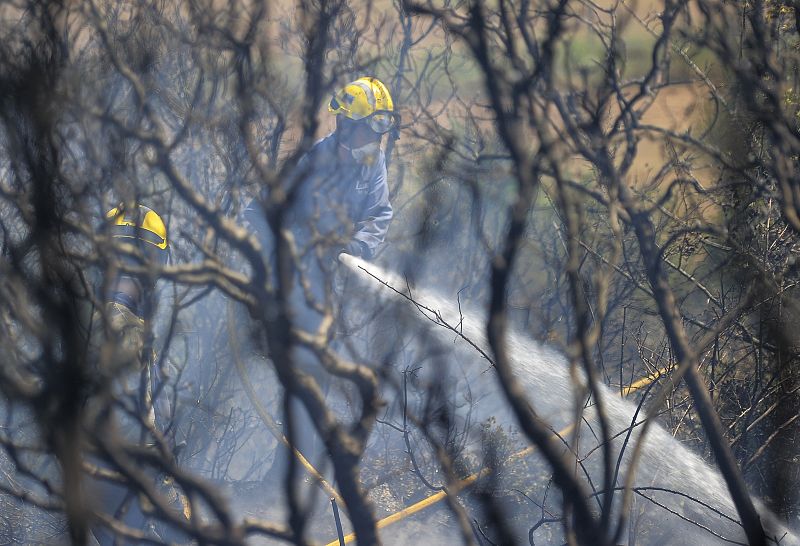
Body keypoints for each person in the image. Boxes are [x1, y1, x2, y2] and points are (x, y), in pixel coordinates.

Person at [242, 76, 397, 478]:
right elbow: (256, 214)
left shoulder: (372, 160)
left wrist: (358, 248)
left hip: (331, 296)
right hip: (295, 290)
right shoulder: (311, 164)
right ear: (345, 126)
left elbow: (379, 213)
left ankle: (302, 476)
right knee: (306, 382)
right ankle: (283, 480)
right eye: (368, 129)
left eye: (381, 133)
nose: (376, 142)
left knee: (321, 383)